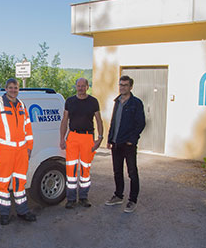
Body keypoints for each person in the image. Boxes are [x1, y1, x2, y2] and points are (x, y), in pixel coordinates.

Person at [0, 78, 36, 225]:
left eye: (16, 87)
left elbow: (28, 127)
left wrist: (29, 147)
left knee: (20, 182)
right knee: (3, 183)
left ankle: (23, 211)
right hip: (4, 151)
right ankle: (4, 214)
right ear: (5, 88)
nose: (13, 90)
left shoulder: (21, 105)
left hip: (21, 151)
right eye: (10, 87)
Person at [60, 78, 103, 209]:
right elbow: (65, 120)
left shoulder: (93, 101)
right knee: (71, 169)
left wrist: (100, 138)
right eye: (78, 86)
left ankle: (83, 197)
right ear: (76, 87)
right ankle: (71, 199)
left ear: (87, 87)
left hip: (87, 138)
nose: (80, 88)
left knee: (85, 168)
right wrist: (62, 138)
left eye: (83, 86)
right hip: (72, 137)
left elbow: (99, 120)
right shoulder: (70, 101)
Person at [105, 75, 146, 213]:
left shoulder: (136, 103)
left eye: (125, 85)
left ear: (131, 87)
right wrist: (110, 139)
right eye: (120, 85)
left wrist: (132, 140)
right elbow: (114, 122)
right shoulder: (117, 102)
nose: (122, 87)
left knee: (132, 172)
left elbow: (141, 123)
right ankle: (118, 195)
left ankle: (132, 200)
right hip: (116, 143)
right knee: (117, 171)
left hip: (128, 144)